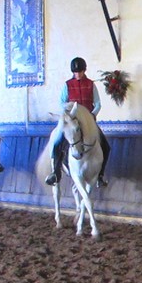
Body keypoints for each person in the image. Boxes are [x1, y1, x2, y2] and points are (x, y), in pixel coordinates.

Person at [45, 57, 110, 188]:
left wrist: (92, 115)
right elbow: (62, 102)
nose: (78, 74)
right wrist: (69, 112)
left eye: (80, 72)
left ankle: (100, 175)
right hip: (72, 122)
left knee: (106, 146)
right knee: (57, 142)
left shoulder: (91, 85)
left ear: (84, 70)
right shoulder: (67, 85)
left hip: (88, 122)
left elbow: (97, 103)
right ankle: (56, 172)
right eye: (75, 72)